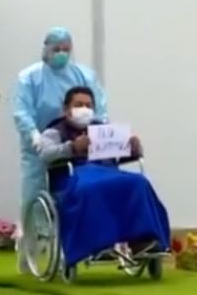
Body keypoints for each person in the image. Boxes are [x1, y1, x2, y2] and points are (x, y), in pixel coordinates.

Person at [34, 86, 168, 266]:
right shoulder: (54, 132)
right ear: (66, 109)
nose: (84, 109)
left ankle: (143, 241)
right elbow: (45, 154)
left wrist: (133, 149)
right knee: (92, 188)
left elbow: (118, 155)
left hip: (106, 171)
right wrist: (72, 147)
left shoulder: (103, 130)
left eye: (88, 106)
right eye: (78, 105)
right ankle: (97, 245)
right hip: (74, 175)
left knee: (138, 182)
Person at [13, 27, 108, 272]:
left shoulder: (83, 75)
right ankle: (30, 252)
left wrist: (104, 136)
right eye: (57, 49)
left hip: (80, 148)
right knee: (33, 199)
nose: (62, 53)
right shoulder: (30, 78)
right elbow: (22, 111)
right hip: (42, 146)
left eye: (66, 49)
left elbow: (100, 108)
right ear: (46, 49)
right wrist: (34, 135)